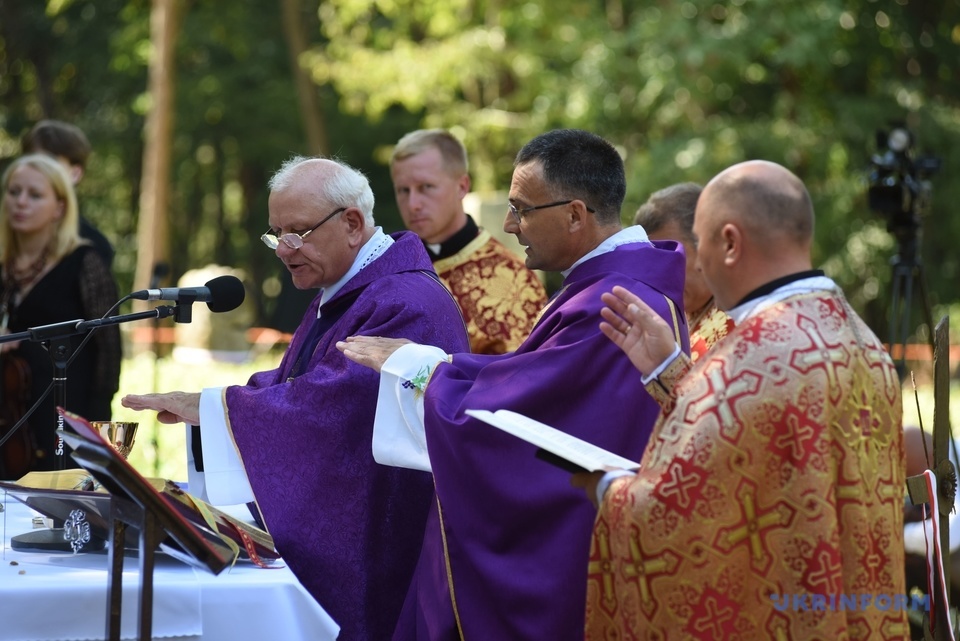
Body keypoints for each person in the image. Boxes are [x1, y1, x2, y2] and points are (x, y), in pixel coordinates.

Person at [338, 129, 689, 640]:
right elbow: (532, 377)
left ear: (575, 214)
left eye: (521, 209)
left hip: (574, 550)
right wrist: (435, 363)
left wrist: (418, 369)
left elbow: (528, 416)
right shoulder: (607, 287)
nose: (508, 224)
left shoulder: (614, 303)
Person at [121, 156, 469, 641]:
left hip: (383, 547)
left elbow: (336, 411)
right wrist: (213, 401)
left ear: (352, 224)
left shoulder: (404, 303)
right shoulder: (351, 289)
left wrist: (220, 410)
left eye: (298, 232)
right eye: (277, 233)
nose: (284, 249)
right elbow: (298, 380)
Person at [583, 160, 906, 639]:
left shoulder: (746, 362)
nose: (696, 264)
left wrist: (608, 489)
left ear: (730, 243)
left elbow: (673, 517)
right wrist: (667, 367)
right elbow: (768, 463)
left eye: (699, 242)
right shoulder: (860, 340)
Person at [0, 154, 121, 478]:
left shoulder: (85, 263)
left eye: (35, 195)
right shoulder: (4, 265)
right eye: (14, 192)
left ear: (59, 207)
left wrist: (95, 428)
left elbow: (108, 349)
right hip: (9, 417)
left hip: (65, 415)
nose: (20, 202)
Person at [390, 128, 547, 354]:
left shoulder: (513, 280)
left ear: (462, 186)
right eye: (403, 190)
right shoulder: (390, 270)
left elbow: (523, 370)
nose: (413, 204)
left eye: (426, 187)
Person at [635, 181, 734, 360]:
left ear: (705, 245)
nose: (660, 276)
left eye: (673, 259)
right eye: (653, 263)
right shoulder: (663, 319)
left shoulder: (743, 316)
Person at [21, 119, 115, 267]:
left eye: (49, 163)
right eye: (31, 161)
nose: (38, 170)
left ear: (75, 174)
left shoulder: (94, 247)